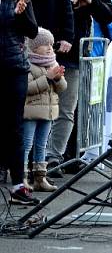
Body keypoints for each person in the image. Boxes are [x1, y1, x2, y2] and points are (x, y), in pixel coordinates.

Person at [46, 0, 112, 175]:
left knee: (65, 111)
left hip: (74, 57)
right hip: (39, 56)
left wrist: (91, 2)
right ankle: (34, 159)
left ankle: (53, 158)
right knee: (38, 110)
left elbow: (108, 14)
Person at [0, 0, 40, 204]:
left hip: (14, 65)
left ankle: (18, 185)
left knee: (13, 126)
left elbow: (33, 30)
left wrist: (22, 14)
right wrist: (9, 14)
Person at [23, 28, 65, 192]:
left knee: (42, 145)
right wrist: (47, 78)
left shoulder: (52, 62)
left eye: (51, 44)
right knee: (26, 145)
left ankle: (40, 177)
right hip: (30, 112)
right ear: (33, 47)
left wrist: (57, 78)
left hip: (48, 112)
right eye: (44, 44)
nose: (49, 47)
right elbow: (26, 88)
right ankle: (22, 178)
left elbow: (62, 87)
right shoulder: (27, 63)